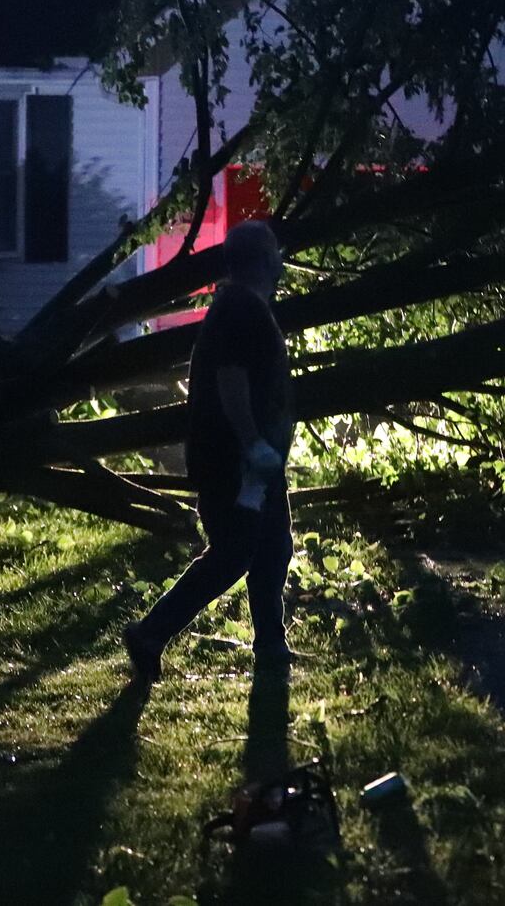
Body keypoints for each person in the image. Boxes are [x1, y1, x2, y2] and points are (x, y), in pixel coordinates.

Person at [123, 220, 296, 686]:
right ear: (263, 261)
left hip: (251, 462)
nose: (280, 262)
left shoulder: (242, 306)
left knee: (273, 547)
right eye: (275, 254)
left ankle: (271, 643)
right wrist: (253, 443)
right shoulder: (242, 309)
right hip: (235, 459)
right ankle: (150, 633)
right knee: (234, 553)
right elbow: (231, 380)